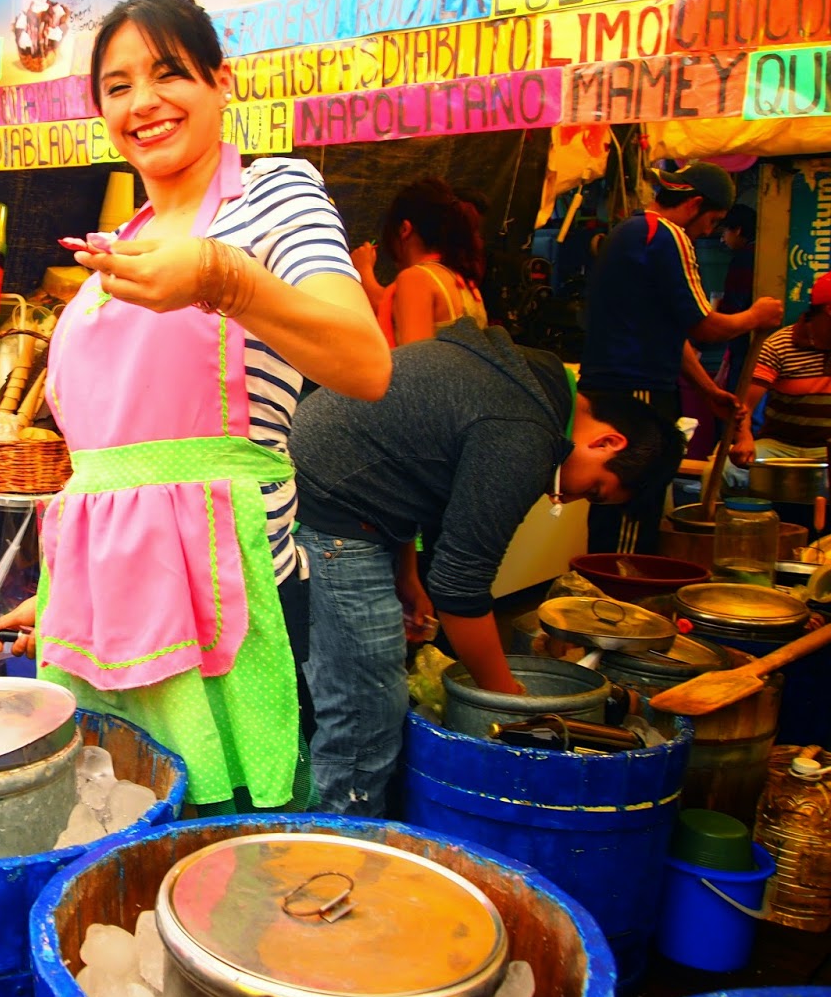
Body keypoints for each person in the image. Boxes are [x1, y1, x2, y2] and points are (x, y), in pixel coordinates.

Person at [0, 0, 391, 816]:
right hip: (115, 612)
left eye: (169, 73)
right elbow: (107, 470)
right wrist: (74, 589)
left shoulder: (275, 194)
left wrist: (222, 277)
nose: (143, 103)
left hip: (236, 610)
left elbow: (364, 364)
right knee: (117, 828)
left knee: (227, 871)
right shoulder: (120, 248)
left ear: (220, 81)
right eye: (118, 86)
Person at [291, 318, 683, 815]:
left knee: (361, 699)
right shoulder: (524, 430)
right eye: (595, 490)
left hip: (345, 506)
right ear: (609, 443)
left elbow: (404, 465)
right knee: (367, 715)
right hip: (328, 519)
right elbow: (460, 587)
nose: (566, 496)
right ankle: (338, 853)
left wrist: (406, 575)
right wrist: (509, 697)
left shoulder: (528, 379)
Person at [580, 163, 782, 554]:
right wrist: (755, 317)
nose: (709, 231)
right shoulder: (665, 234)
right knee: (631, 507)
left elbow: (669, 334)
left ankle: (609, 597)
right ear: (693, 204)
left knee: (623, 501)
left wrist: (707, 390)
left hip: (620, 386)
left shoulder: (632, 230)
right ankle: (619, 601)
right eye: (713, 220)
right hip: (634, 389)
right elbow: (703, 326)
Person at [728, 270, 831, 492]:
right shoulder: (779, 346)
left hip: (826, 449)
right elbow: (743, 405)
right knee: (726, 473)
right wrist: (744, 439)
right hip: (780, 446)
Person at [361, 177, 488, 347]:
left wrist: (362, 270)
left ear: (404, 229)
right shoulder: (455, 276)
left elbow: (416, 366)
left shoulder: (417, 278)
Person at [715, 203, 758, 397]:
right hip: (753, 343)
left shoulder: (744, 258)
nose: (723, 239)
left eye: (725, 231)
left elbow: (733, 304)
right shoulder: (760, 253)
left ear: (738, 230)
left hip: (744, 343)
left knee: (739, 402)